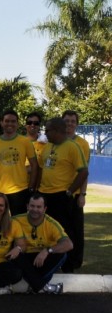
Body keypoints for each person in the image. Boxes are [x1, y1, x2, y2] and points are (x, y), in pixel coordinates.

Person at [37, 117, 88, 273]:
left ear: (58, 130)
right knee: (46, 231)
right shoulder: (47, 146)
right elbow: (41, 168)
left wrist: (70, 191)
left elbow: (83, 171)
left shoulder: (73, 147)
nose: (45, 134)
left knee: (66, 231)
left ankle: (68, 266)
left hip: (61, 196)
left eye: (48, 131)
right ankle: (49, 262)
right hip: (44, 195)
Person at [14, 195, 72, 294]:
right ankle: (42, 286)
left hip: (43, 258)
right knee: (14, 255)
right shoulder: (16, 220)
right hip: (24, 257)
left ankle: (35, 284)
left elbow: (69, 244)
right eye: (32, 206)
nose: (35, 209)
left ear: (45, 209)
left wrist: (47, 250)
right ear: (27, 206)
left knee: (62, 255)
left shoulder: (51, 223)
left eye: (38, 207)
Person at [0, 110, 38, 216]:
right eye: (7, 121)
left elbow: (35, 165)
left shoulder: (25, 142)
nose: (10, 124)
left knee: (19, 222)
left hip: (20, 190)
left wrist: (31, 188)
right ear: (1, 123)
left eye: (13, 121)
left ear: (17, 124)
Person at [62, 110, 90, 272]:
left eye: (73, 121)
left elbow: (85, 172)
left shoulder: (82, 144)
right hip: (57, 194)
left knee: (76, 230)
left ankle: (73, 263)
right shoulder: (55, 142)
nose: (70, 124)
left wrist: (82, 194)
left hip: (74, 194)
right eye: (67, 121)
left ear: (77, 124)